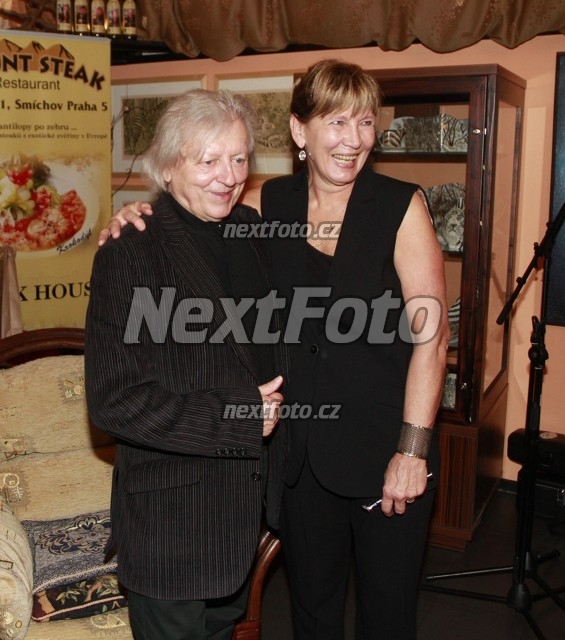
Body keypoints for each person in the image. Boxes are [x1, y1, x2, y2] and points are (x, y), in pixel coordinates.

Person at [101, 60, 450, 640]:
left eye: (365, 122)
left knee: (388, 617)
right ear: (298, 130)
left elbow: (432, 337)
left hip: (385, 448)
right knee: (310, 611)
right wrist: (138, 212)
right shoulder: (270, 204)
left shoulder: (399, 206)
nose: (353, 139)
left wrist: (412, 450)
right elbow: (194, 215)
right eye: (336, 122)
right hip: (297, 456)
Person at [85, 89, 289, 640]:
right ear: (169, 165)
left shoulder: (251, 230)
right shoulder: (130, 250)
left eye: (239, 158)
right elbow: (114, 401)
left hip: (242, 516)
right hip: (172, 525)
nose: (229, 176)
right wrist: (239, 418)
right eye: (209, 160)